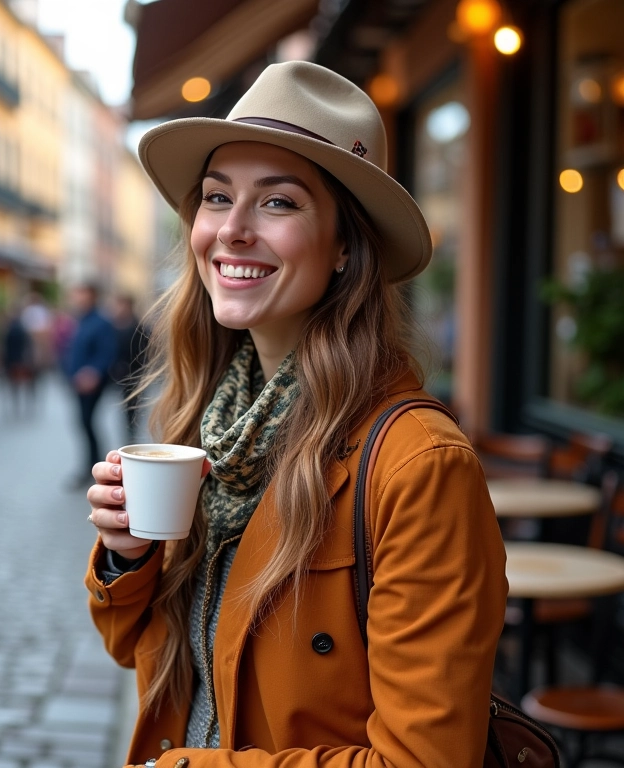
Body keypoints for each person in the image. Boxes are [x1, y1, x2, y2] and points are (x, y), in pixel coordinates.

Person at [85, 61, 507, 767]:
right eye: (217, 199)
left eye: (278, 203)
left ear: (345, 245)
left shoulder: (419, 467)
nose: (234, 230)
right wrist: (128, 557)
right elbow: (139, 650)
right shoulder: (209, 422)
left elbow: (425, 761)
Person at [66, 282, 118, 488]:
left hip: (92, 385)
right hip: (78, 383)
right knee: (83, 423)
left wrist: (93, 373)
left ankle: (95, 467)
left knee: (87, 422)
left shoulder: (101, 322)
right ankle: (92, 467)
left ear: (92, 296)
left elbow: (107, 353)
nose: (78, 298)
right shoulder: (80, 320)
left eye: (82, 293)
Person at [109, 294, 148, 443]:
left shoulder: (138, 326)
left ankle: (131, 437)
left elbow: (144, 351)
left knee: (132, 407)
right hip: (119, 374)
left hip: (135, 374)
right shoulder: (114, 326)